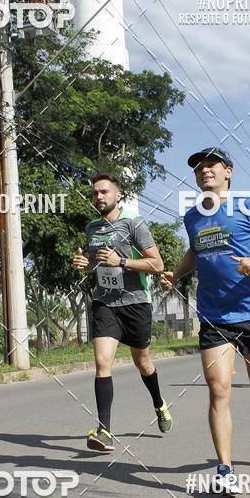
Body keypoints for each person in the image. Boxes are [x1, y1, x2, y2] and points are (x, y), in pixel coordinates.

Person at [160, 146, 250, 495]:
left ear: (228, 172)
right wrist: (176, 273)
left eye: (212, 165)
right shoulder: (193, 216)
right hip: (213, 315)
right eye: (199, 168)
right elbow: (196, 250)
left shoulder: (249, 207)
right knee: (218, 389)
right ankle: (225, 468)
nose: (204, 171)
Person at [72, 173, 173, 451]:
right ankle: (104, 431)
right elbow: (96, 263)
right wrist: (85, 264)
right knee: (102, 362)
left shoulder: (133, 222)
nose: (99, 197)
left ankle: (159, 403)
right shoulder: (92, 227)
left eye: (104, 192)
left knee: (142, 361)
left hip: (136, 302)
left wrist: (123, 260)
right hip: (105, 302)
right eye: (95, 193)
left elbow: (157, 264)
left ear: (118, 195)